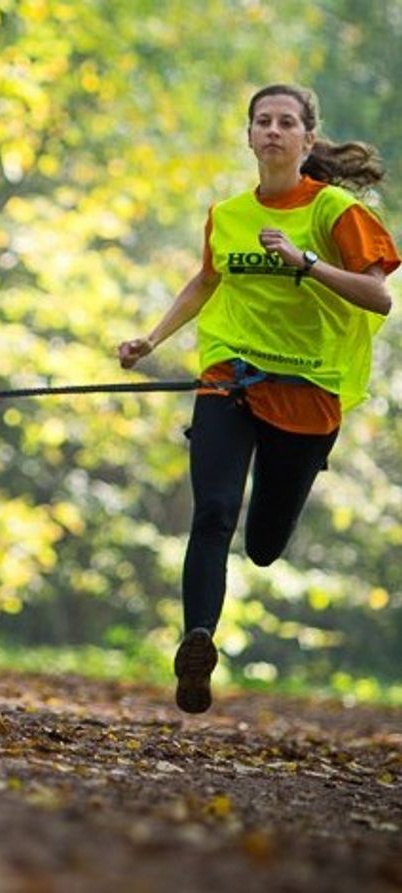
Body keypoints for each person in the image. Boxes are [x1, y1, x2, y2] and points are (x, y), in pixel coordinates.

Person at [118, 84, 399, 714]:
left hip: (306, 395)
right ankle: (198, 643)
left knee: (265, 544)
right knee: (213, 512)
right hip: (230, 380)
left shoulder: (335, 214)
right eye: (262, 122)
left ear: (306, 139)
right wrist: (152, 338)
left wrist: (305, 262)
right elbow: (207, 278)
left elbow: (379, 297)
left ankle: (257, 552)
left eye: (286, 122)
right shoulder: (228, 213)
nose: (272, 130)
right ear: (249, 137)